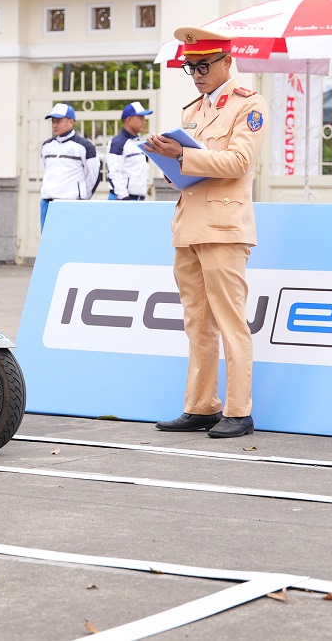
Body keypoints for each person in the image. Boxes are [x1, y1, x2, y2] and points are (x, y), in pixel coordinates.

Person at [145, 29, 266, 440]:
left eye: (203, 66)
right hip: (189, 223)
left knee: (230, 321)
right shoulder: (193, 110)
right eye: (190, 67)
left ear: (226, 62)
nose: (196, 74)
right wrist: (169, 160)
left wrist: (181, 153)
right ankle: (201, 406)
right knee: (197, 323)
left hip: (225, 227)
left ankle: (239, 410)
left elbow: (238, 162)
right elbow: (191, 171)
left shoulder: (249, 104)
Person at [38, 103, 100, 229]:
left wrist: (82, 197)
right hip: (48, 203)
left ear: (71, 122)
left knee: (71, 239)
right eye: (53, 121)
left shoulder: (85, 146)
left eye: (58, 121)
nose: (54, 125)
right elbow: (45, 170)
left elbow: (94, 176)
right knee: (48, 239)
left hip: (72, 204)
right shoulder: (46, 146)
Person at [105, 102, 153, 201]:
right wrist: (124, 198)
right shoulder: (118, 143)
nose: (144, 122)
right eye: (141, 118)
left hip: (137, 199)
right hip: (122, 200)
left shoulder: (138, 141)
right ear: (129, 120)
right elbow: (114, 172)